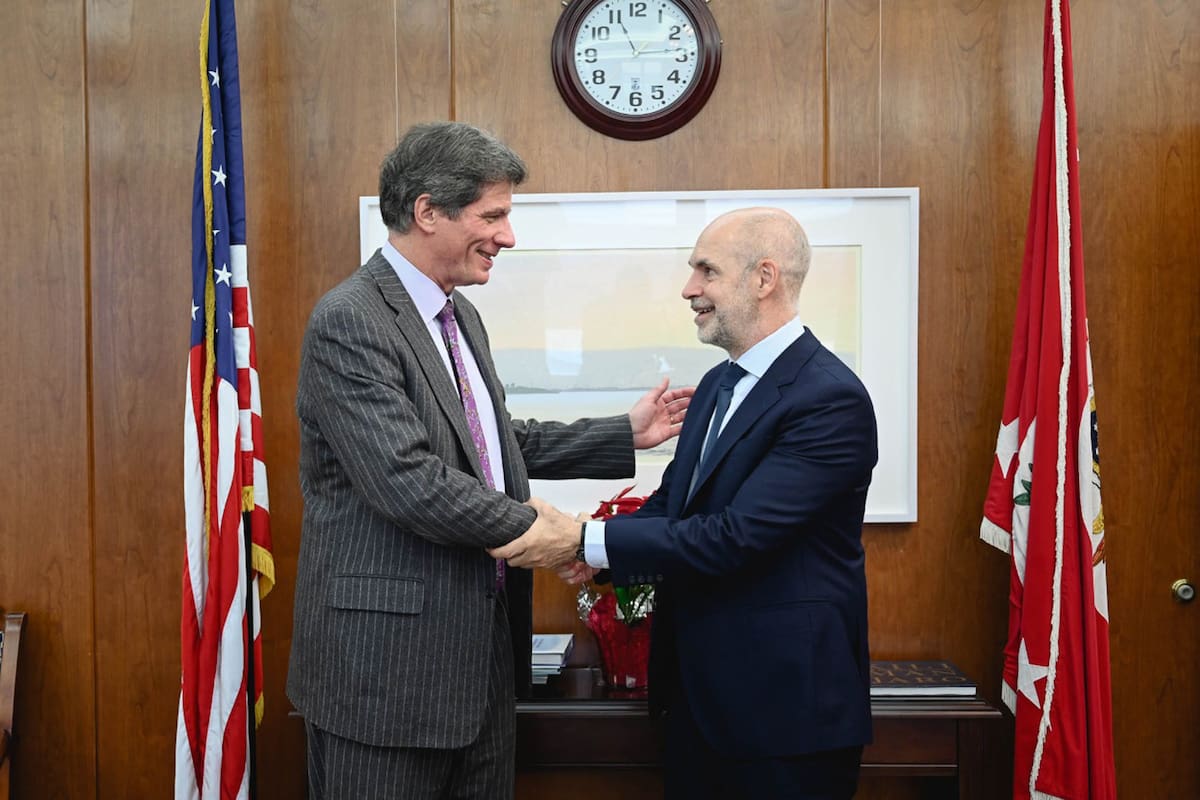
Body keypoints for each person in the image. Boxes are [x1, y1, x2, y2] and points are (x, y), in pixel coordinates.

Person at [286, 121, 692, 800]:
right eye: (494, 215)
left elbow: (493, 445)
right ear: (426, 211)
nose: (508, 236)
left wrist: (622, 432)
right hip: (384, 684)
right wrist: (548, 535)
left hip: (479, 677)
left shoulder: (459, 317)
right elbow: (408, 482)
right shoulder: (350, 320)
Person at [492, 207, 879, 800]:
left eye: (706, 271)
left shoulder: (830, 400)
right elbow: (674, 504)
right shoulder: (717, 387)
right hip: (696, 707)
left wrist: (580, 538)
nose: (688, 288)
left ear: (764, 278)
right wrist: (598, 553)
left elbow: (735, 537)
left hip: (786, 717)